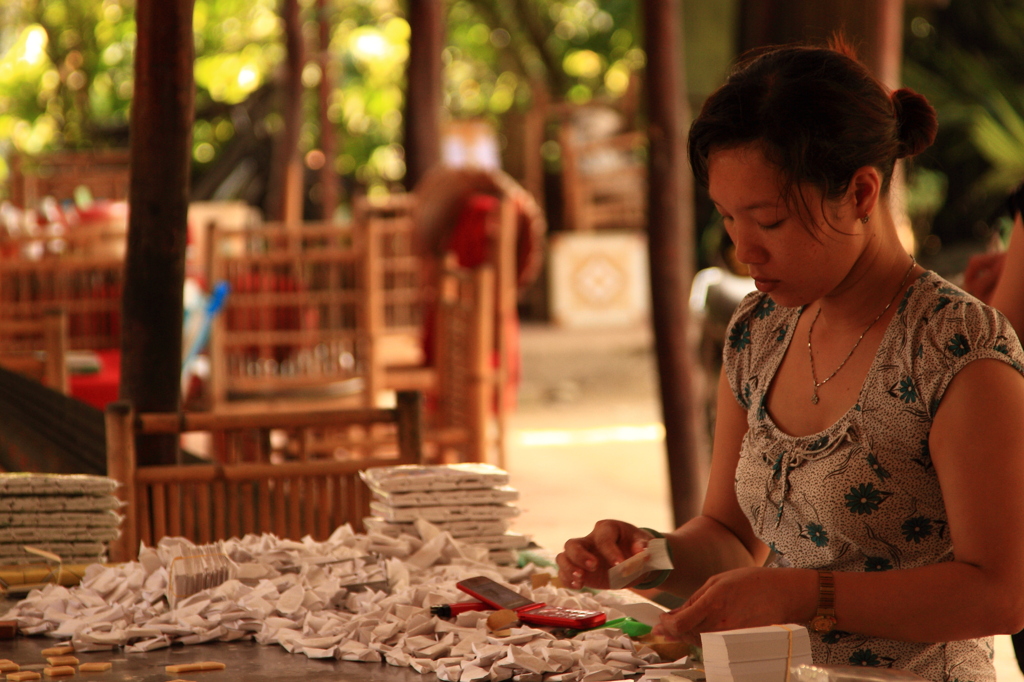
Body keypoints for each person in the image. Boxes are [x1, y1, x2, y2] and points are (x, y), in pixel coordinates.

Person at [557, 40, 1024, 682]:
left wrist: (803, 594)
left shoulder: (956, 348)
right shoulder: (758, 330)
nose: (744, 250)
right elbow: (728, 535)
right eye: (727, 218)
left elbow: (1000, 593)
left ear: (861, 192)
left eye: (769, 221)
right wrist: (646, 559)